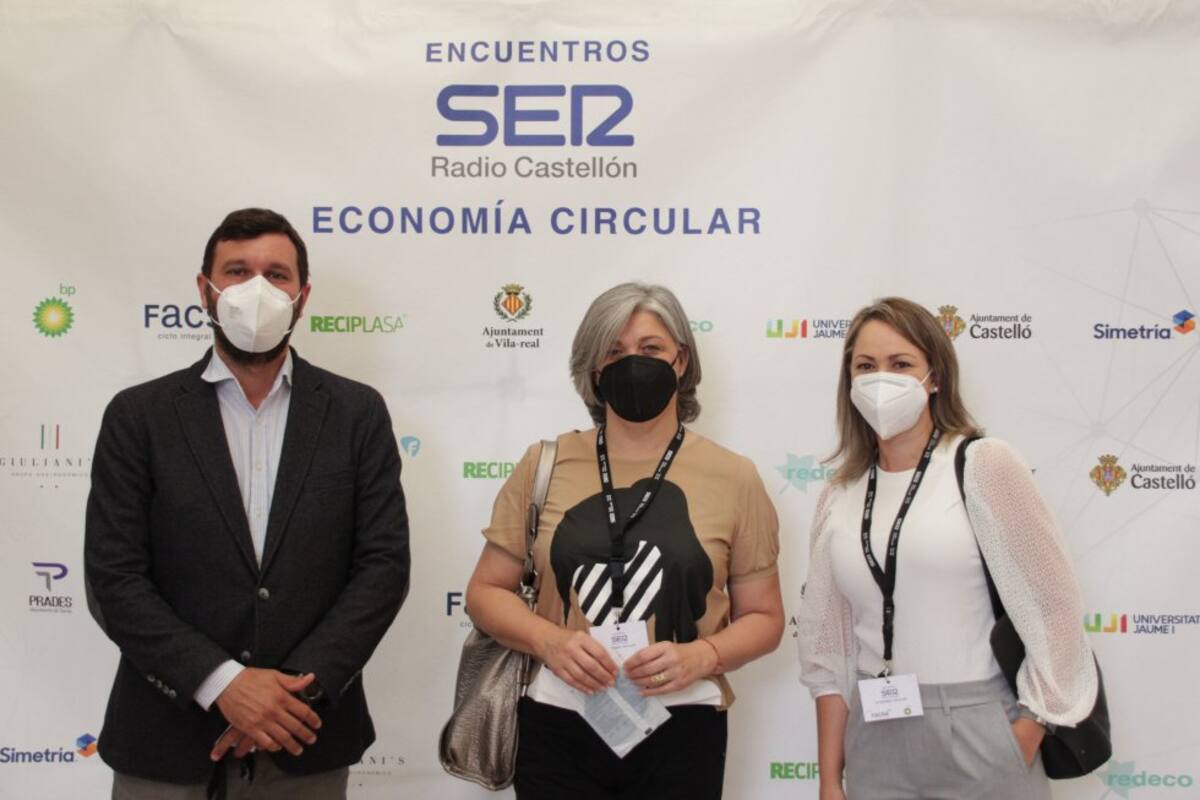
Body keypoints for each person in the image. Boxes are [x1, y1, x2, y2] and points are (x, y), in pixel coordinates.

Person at [84, 208, 410, 799]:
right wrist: (223, 684)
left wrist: (290, 693)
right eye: (237, 271)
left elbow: (382, 567)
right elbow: (113, 577)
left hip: (305, 738)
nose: (257, 289)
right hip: (164, 745)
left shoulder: (356, 414)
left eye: (277, 275)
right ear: (205, 289)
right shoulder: (139, 417)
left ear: (302, 297)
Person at [465, 282, 784, 799]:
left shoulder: (734, 477)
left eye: (651, 348)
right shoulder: (544, 464)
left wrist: (703, 655)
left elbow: (765, 618)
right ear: (594, 370)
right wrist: (549, 641)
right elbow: (485, 592)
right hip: (559, 722)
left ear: (681, 360)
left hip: (683, 727)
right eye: (614, 352)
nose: (633, 363)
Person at [796, 297, 1098, 800]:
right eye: (865, 366)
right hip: (874, 736)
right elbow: (827, 651)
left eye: (900, 364)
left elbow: (1055, 608)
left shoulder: (983, 465)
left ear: (933, 377)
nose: (881, 379)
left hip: (979, 729)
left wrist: (1024, 734)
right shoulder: (839, 494)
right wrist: (830, 779)